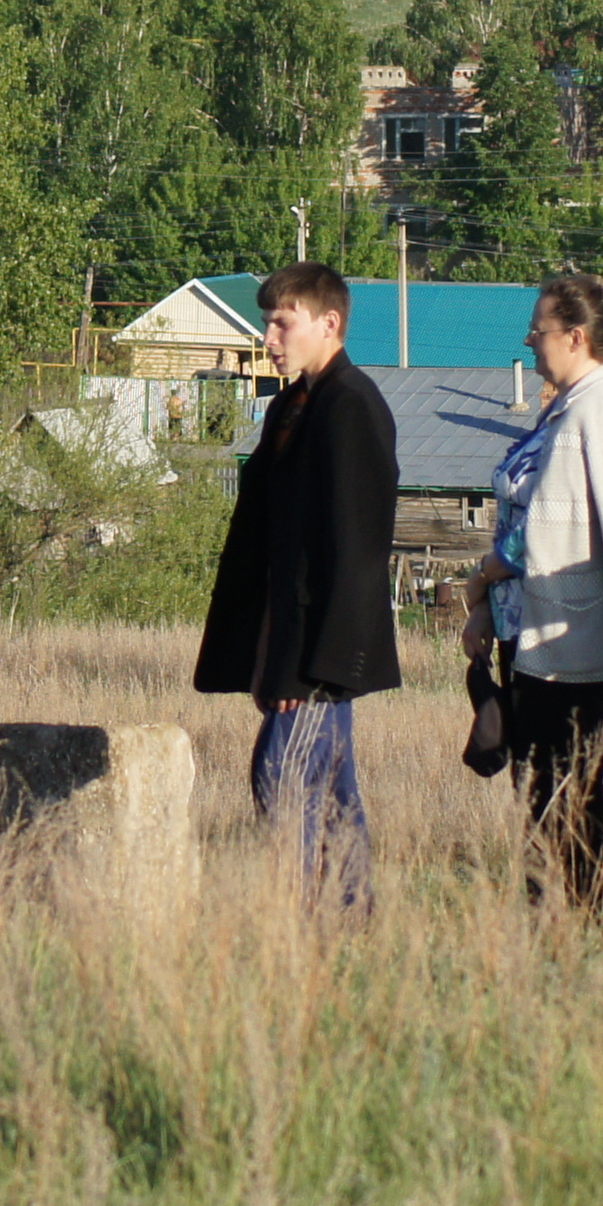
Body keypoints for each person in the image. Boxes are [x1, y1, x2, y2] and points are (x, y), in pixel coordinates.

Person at [193, 263, 402, 912]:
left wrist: (315, 669)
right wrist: (260, 652)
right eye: (267, 322)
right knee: (326, 788)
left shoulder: (353, 405)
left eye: (282, 321)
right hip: (288, 641)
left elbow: (355, 549)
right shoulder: (291, 404)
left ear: (328, 323)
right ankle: (346, 918)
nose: (270, 336)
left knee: (282, 777)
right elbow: (271, 543)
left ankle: (307, 922)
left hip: (318, 651)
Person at [466, 273, 603, 918]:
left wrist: (484, 576)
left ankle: (583, 925)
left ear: (575, 337)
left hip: (565, 630)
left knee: (566, 786)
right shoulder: (569, 405)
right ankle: (552, 921)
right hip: (532, 626)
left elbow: (547, 525)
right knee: (540, 783)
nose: (530, 340)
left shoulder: (596, 409)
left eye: (539, 329)